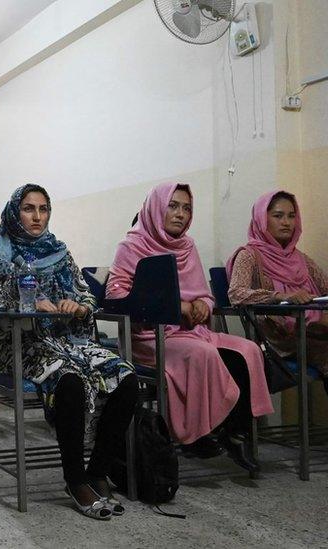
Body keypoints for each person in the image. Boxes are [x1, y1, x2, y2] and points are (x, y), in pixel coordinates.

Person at [0, 184, 137, 520]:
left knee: (126, 378)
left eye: (43, 209)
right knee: (68, 380)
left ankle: (98, 470)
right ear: (16, 213)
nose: (37, 216)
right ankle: (75, 480)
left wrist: (79, 306)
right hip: (21, 345)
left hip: (68, 340)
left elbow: (88, 296)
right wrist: (26, 304)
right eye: (29, 209)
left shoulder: (60, 253)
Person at [106, 182, 272, 472]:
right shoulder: (132, 246)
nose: (181, 214)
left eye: (186, 208)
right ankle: (200, 433)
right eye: (173, 206)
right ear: (156, 207)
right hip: (149, 338)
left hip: (192, 331)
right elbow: (116, 295)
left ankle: (236, 433)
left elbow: (205, 295)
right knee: (201, 354)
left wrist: (202, 307)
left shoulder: (187, 246)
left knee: (247, 351)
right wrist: (175, 306)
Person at [227, 190, 328, 446]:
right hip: (279, 339)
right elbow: (236, 293)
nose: (286, 222)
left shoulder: (300, 259)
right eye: (278, 216)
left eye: (291, 216)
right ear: (262, 220)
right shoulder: (249, 255)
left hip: (314, 331)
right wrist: (277, 297)